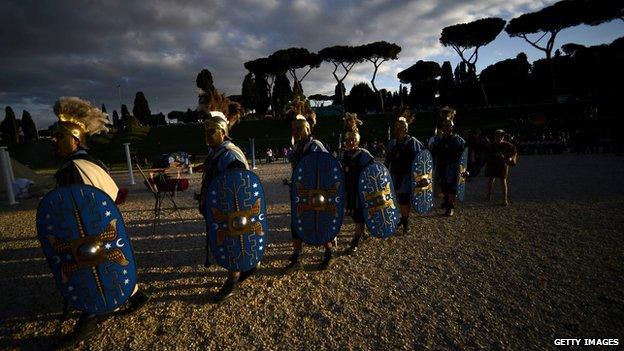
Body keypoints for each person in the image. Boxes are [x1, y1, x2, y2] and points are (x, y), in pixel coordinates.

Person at [49, 97, 148, 348]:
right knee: (109, 261)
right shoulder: (94, 162)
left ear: (74, 139)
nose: (54, 140)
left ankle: (90, 317)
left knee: (88, 268)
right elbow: (114, 197)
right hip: (104, 230)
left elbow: (73, 215)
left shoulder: (73, 169)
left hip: (89, 235)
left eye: (59, 136)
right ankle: (136, 297)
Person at [197, 92, 255, 302]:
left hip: (231, 211)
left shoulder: (230, 154)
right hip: (219, 208)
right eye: (206, 132)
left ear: (222, 133)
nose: (207, 136)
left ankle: (234, 278)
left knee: (232, 243)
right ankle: (247, 266)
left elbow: (238, 185)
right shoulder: (216, 153)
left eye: (211, 132)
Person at [283, 97, 336, 273]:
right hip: (301, 192)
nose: (296, 132)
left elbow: (328, 168)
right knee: (296, 223)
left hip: (317, 192)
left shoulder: (315, 145)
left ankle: (329, 252)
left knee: (318, 222)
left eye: (299, 129)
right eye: (294, 129)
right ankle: (297, 255)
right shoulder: (296, 148)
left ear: (307, 128)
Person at [385, 107, 424, 234]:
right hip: (395, 175)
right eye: (397, 128)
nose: (398, 131)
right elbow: (388, 159)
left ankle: (406, 220)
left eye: (400, 128)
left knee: (405, 198)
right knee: (397, 198)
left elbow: (421, 160)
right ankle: (402, 218)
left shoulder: (413, 142)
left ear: (405, 129)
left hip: (407, 176)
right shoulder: (393, 143)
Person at [339, 113, 374, 253]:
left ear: (357, 140)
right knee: (355, 213)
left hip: (361, 190)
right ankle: (362, 232)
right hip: (350, 189)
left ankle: (355, 240)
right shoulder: (344, 154)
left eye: (353, 140)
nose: (350, 143)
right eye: (348, 140)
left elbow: (373, 172)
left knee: (359, 214)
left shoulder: (364, 154)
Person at [429, 107, 466, 217]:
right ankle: (446, 201)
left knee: (451, 187)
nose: (446, 128)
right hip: (442, 166)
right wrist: (431, 148)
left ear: (452, 127)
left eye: (448, 126)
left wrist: (464, 169)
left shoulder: (457, 140)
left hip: (453, 167)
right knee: (444, 187)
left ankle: (450, 207)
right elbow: (434, 152)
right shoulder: (439, 140)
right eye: (444, 126)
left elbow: (463, 155)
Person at [484, 129, 518, 206]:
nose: (500, 137)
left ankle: (504, 199)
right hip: (492, 164)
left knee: (503, 181)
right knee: (490, 180)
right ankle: (488, 195)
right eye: (498, 135)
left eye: (501, 135)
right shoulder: (490, 145)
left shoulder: (508, 145)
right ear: (495, 136)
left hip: (502, 165)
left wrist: (510, 158)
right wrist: (491, 157)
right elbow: (485, 154)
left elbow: (514, 153)